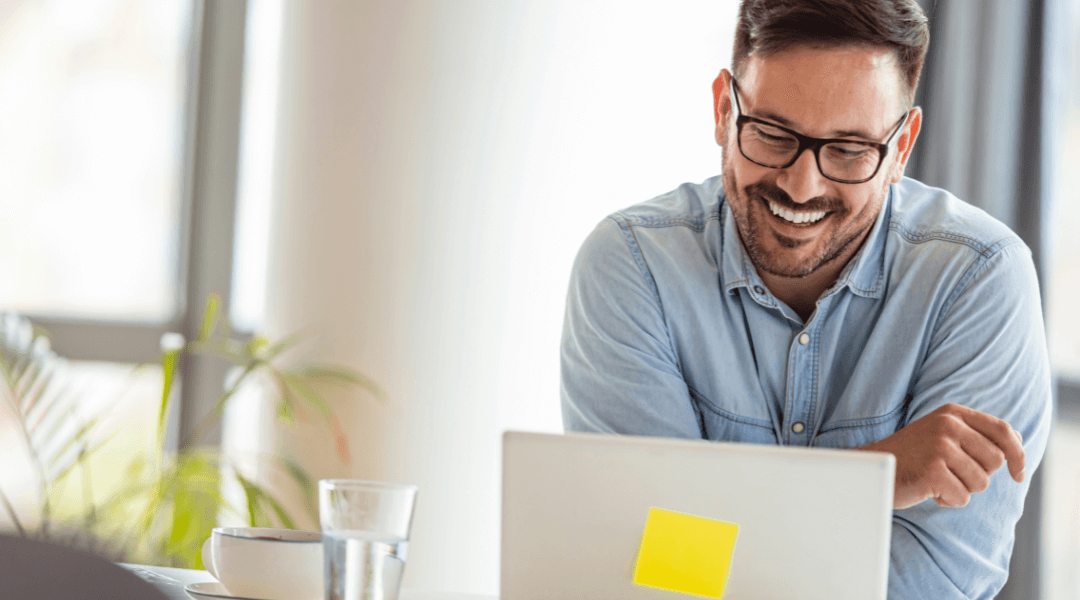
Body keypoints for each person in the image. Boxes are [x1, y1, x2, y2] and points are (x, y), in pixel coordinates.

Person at [559, 0, 1052, 597]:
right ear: (723, 109)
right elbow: (641, 562)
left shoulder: (979, 278)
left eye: (848, 150)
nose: (801, 184)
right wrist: (876, 480)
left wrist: (714, 535)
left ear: (901, 148)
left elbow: (933, 580)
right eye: (771, 134)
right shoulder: (633, 267)